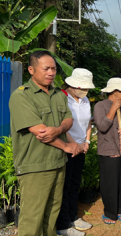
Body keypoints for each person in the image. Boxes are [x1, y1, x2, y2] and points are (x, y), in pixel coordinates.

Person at [9, 50, 82, 236]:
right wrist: (67, 146)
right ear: (31, 70)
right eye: (46, 68)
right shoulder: (21, 96)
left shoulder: (58, 94)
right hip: (35, 166)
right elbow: (40, 132)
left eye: (54, 69)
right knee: (33, 219)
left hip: (58, 163)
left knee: (51, 216)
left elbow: (68, 120)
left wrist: (57, 130)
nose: (51, 72)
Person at [57, 69, 96, 236]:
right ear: (73, 85)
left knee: (74, 185)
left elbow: (88, 123)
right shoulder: (61, 98)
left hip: (81, 148)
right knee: (64, 187)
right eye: (84, 88)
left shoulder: (85, 99)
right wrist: (75, 145)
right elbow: (61, 126)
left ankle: (74, 217)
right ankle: (63, 225)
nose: (86, 91)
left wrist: (86, 142)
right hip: (66, 148)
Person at [93, 78, 121, 224]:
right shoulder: (100, 105)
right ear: (114, 91)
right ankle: (110, 213)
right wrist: (113, 109)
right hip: (109, 149)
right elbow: (102, 127)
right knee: (110, 183)